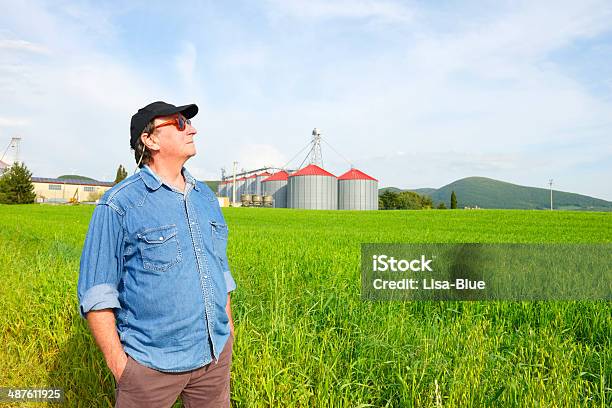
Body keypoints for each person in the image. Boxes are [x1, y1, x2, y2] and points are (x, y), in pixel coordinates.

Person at [77, 101, 236, 407]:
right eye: (178, 123)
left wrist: (227, 329)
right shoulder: (119, 204)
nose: (192, 128)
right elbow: (97, 292)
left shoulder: (206, 197)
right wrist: (122, 368)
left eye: (187, 122)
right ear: (149, 140)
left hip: (214, 356)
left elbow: (219, 269)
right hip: (150, 367)